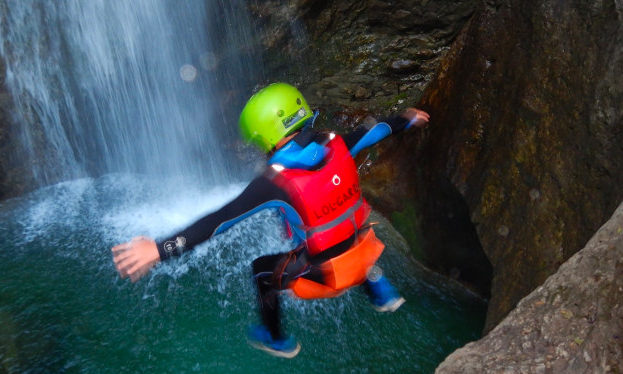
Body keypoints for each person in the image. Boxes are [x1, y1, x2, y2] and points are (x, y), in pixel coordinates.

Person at [112, 83, 429, 358]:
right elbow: (375, 131)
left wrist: (159, 249)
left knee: (263, 271)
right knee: (340, 226)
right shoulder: (337, 141)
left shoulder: (274, 182)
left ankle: (278, 340)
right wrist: (406, 119)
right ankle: (379, 289)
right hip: (366, 246)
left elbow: (217, 222)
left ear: (264, 136)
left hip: (329, 276)